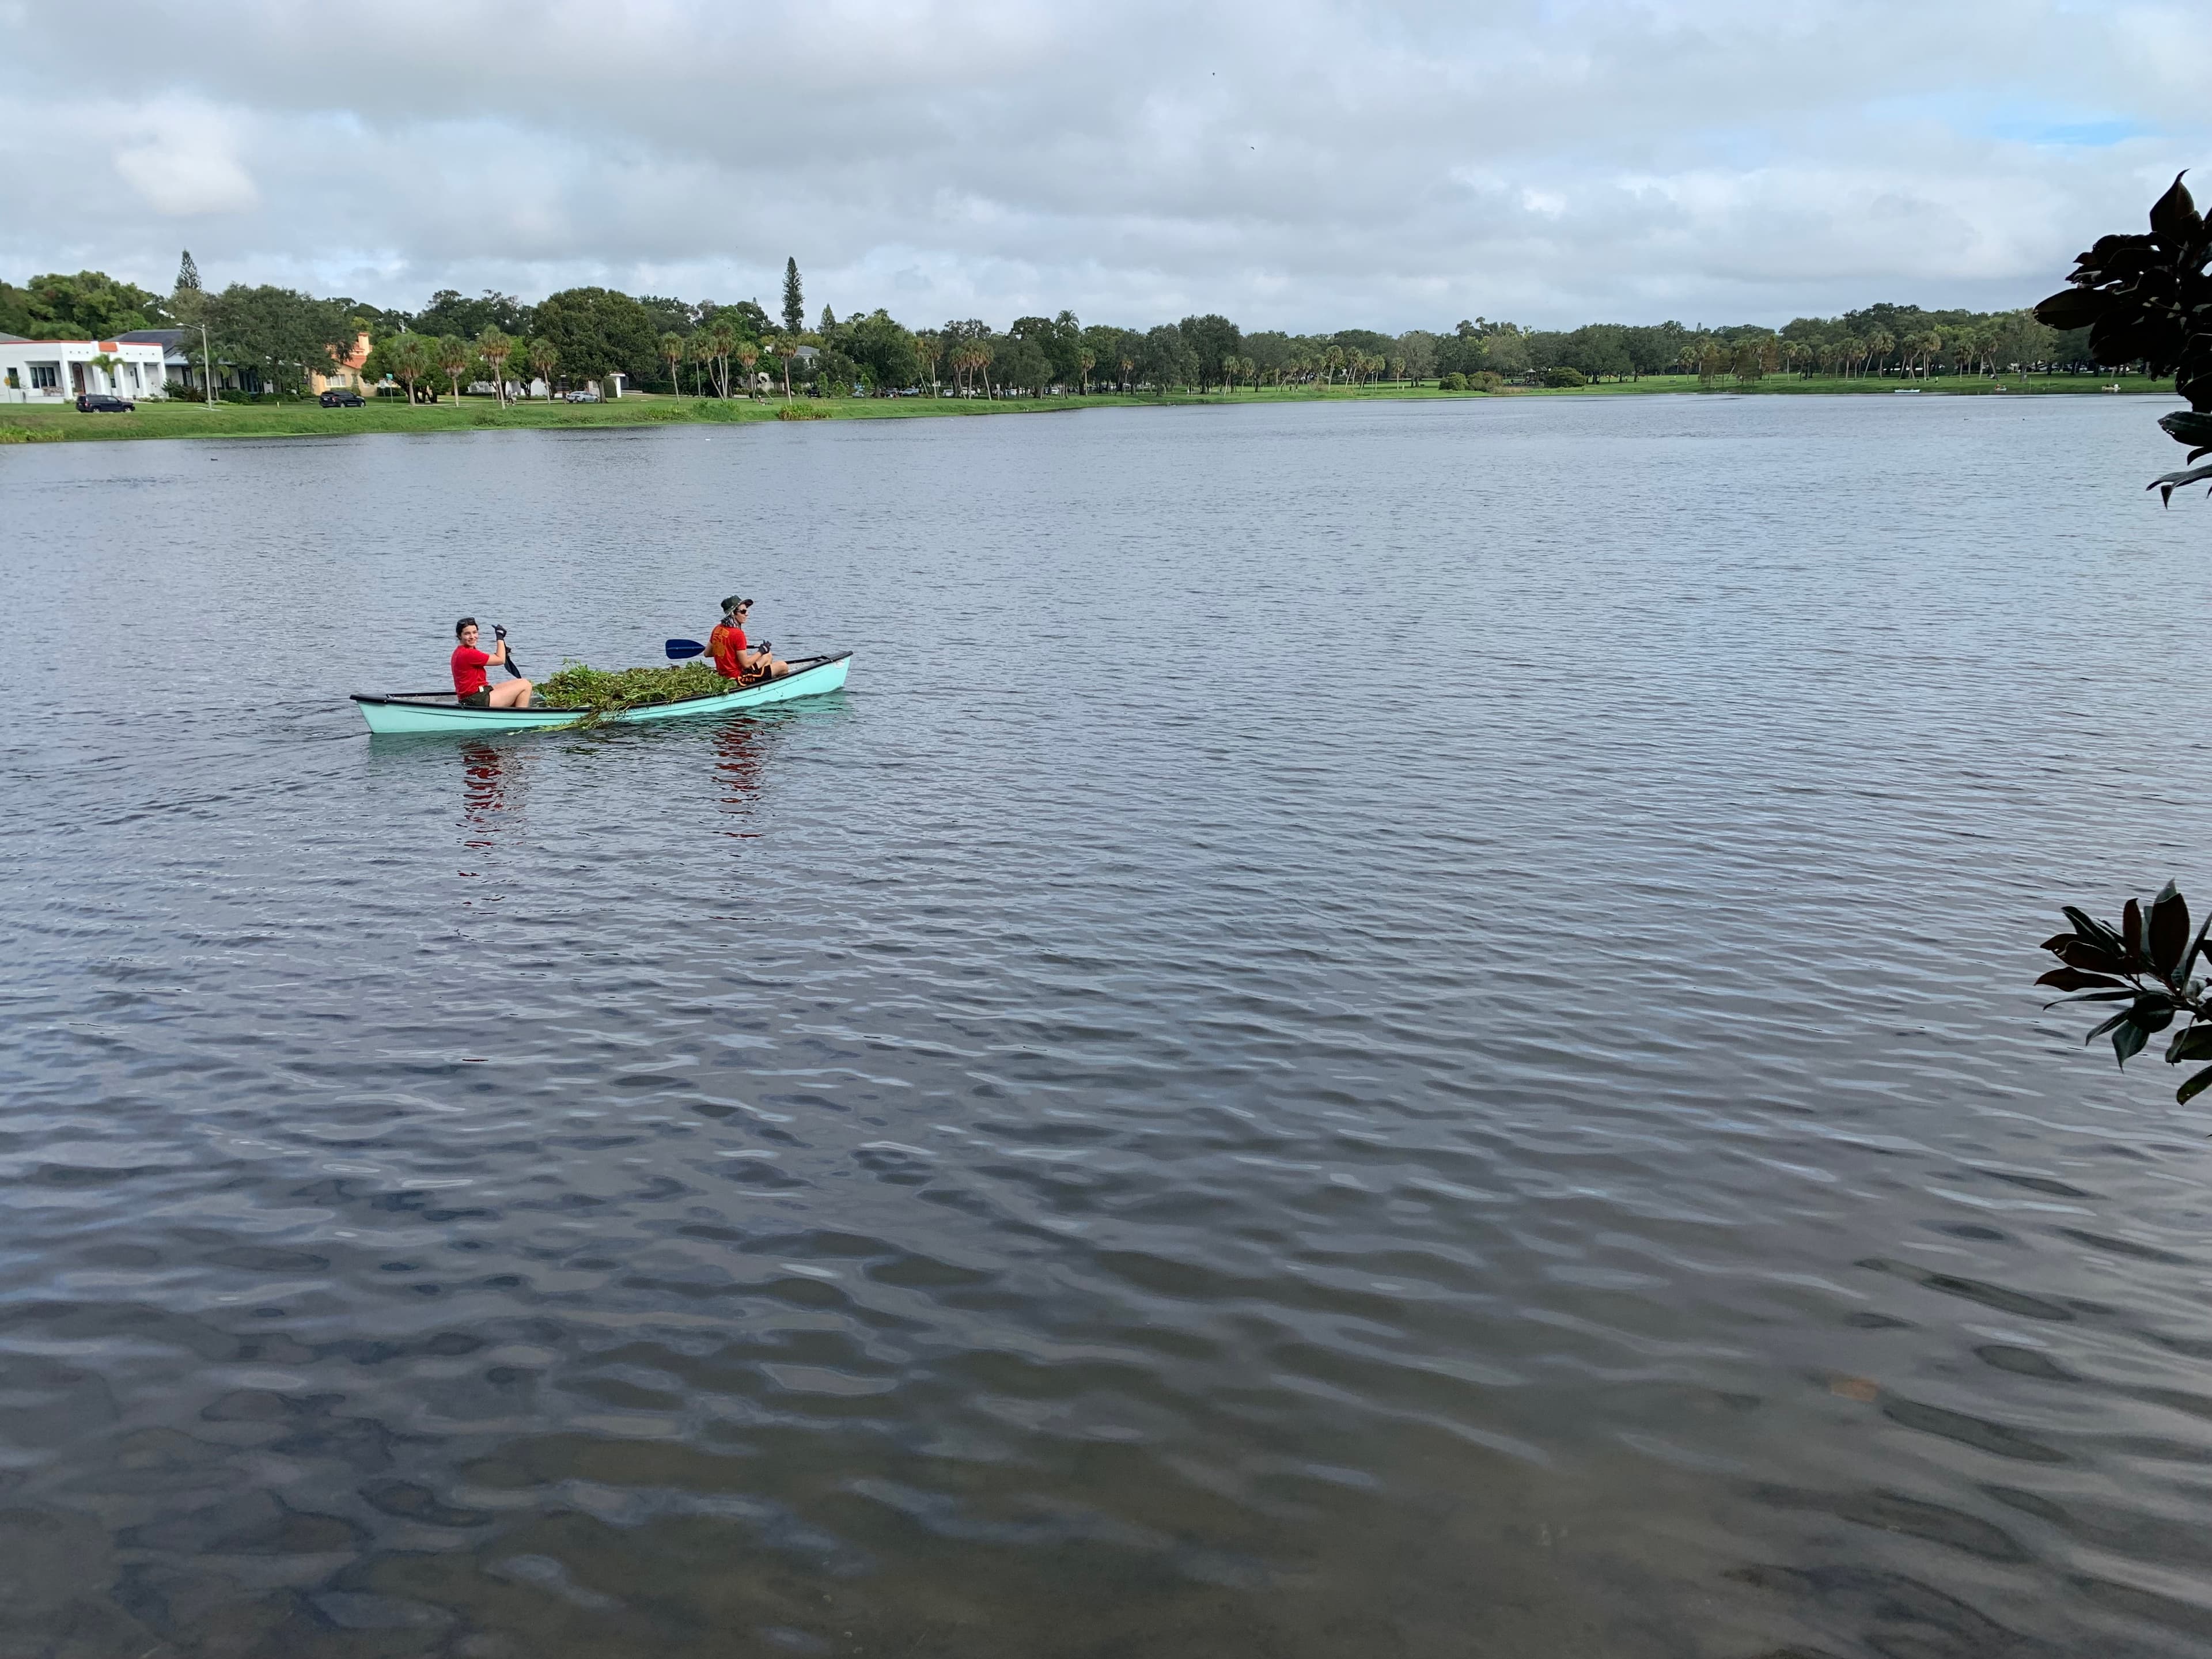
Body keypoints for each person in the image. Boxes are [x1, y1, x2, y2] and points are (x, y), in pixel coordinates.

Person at [451, 617, 533, 708]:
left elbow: (496, 657)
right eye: (467, 634)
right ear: (459, 636)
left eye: (475, 632)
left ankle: (512, 714)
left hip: (475, 694)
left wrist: (503, 651)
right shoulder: (468, 654)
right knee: (526, 685)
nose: (472, 637)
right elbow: (500, 659)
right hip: (475, 699)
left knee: (521, 682)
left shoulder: (460, 651)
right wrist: (500, 637)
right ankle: (519, 719)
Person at [707, 596, 788, 681]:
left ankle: (763, 682)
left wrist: (729, 652)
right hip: (737, 678)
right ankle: (761, 683)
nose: (747, 614)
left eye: (746, 611)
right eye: (743, 611)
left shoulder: (717, 629)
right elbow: (746, 664)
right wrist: (761, 651)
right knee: (783, 666)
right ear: (733, 614)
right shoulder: (738, 634)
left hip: (725, 674)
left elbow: (707, 653)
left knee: (768, 656)